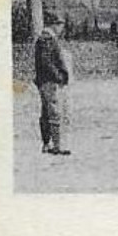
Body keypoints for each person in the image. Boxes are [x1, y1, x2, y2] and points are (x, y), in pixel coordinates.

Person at [33, 12, 71, 156]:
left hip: (44, 81)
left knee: (46, 112)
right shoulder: (48, 39)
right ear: (54, 25)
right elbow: (47, 62)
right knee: (54, 112)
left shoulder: (45, 39)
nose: (61, 28)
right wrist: (59, 76)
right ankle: (57, 145)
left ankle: (46, 144)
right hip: (50, 81)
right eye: (60, 25)